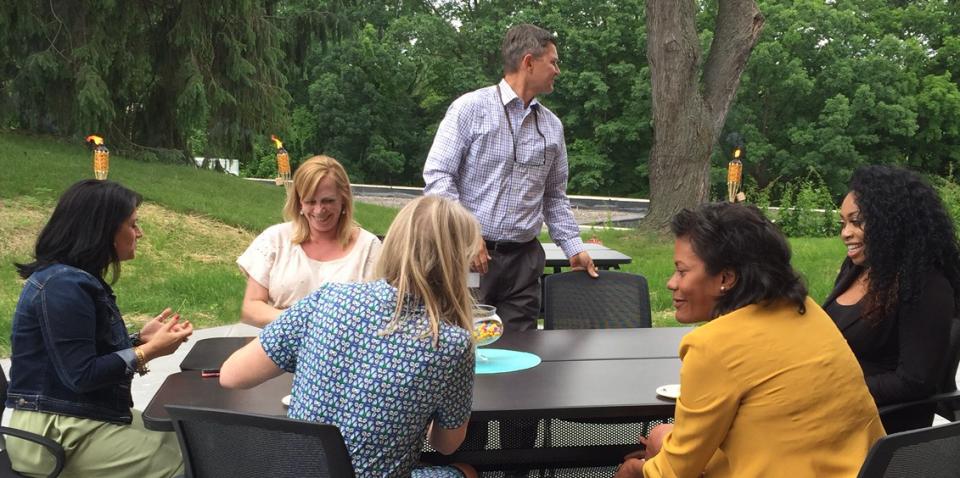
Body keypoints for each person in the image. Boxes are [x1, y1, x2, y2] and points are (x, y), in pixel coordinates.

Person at [616, 202, 885, 478]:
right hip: (859, 470)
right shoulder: (807, 310)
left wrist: (635, 470)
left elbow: (675, 472)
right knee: (662, 435)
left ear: (727, 278)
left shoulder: (713, 345)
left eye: (682, 271)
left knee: (644, 459)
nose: (672, 283)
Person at [220, 195, 480, 478]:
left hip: (300, 471)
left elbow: (232, 375)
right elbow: (445, 445)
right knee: (465, 470)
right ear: (457, 263)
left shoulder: (329, 298)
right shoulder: (452, 343)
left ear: (394, 243)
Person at [6, 179, 193, 478]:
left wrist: (139, 340)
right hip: (52, 434)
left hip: (72, 417)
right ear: (102, 230)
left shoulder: (68, 280)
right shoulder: (62, 286)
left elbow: (73, 355)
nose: (139, 233)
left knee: (190, 441)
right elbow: (81, 375)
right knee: (187, 461)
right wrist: (148, 351)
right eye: (133, 225)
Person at [423, 23, 597, 333]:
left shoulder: (552, 127)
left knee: (522, 354)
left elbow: (554, 197)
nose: (558, 70)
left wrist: (574, 247)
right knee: (461, 346)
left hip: (523, 263)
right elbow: (438, 177)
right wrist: (467, 233)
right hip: (469, 256)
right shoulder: (469, 109)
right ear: (529, 62)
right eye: (553, 62)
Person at [823, 165, 960, 433]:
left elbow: (914, 381)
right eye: (843, 223)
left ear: (892, 221)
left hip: (876, 424)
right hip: (832, 410)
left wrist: (833, 390)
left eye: (857, 221)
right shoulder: (856, 269)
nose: (845, 233)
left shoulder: (927, 285)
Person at [237, 154, 381, 327]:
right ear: (299, 203)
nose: (319, 210)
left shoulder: (369, 248)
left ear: (344, 200)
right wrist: (302, 322)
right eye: (311, 201)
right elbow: (251, 308)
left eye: (328, 200)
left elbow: (380, 315)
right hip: (278, 345)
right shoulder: (275, 239)